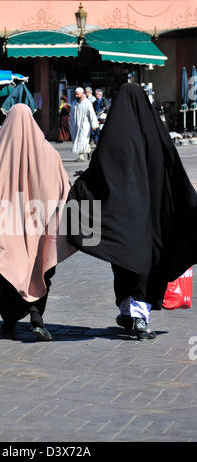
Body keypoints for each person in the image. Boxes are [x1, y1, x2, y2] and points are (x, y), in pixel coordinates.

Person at [67, 83, 197, 340]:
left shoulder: (114, 132)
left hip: (120, 216)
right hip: (148, 217)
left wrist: (84, 182)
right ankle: (137, 315)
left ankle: (129, 310)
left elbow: (101, 168)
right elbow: (173, 170)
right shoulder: (156, 132)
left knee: (123, 260)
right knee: (145, 262)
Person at [0, 103, 76, 341]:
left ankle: (9, 318)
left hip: (6, 226)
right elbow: (63, 189)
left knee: (9, 270)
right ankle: (37, 317)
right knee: (40, 270)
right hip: (41, 223)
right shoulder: (49, 153)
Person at [69, 87, 99, 162]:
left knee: (82, 140)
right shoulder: (74, 103)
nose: (76, 96)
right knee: (77, 139)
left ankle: (81, 156)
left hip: (84, 125)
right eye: (75, 94)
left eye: (78, 94)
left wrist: (94, 125)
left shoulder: (87, 103)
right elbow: (72, 115)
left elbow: (92, 114)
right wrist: (71, 124)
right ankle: (89, 151)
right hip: (76, 125)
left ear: (82, 94)